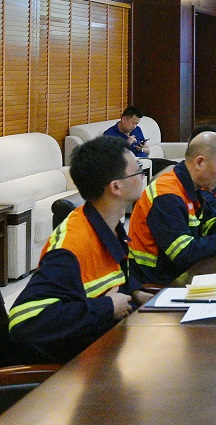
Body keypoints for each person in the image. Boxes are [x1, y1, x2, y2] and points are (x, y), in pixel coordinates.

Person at [8, 136, 152, 363]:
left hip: (105, 348)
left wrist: (135, 291)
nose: (143, 176)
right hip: (74, 368)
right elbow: (23, 321)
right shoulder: (72, 246)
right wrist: (106, 307)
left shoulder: (107, 225)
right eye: (138, 171)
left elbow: (108, 276)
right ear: (115, 187)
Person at [128, 132, 216, 285]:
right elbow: (184, 254)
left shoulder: (192, 187)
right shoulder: (166, 195)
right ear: (199, 162)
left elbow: (209, 225)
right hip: (159, 283)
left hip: (182, 273)